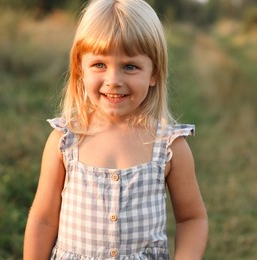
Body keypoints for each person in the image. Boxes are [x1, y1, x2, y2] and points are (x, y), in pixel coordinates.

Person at [23, 0, 208, 259]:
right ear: (80, 69)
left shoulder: (169, 146)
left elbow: (192, 219)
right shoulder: (65, 141)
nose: (113, 80)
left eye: (130, 66)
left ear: (154, 72)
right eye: (99, 64)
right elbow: (43, 220)